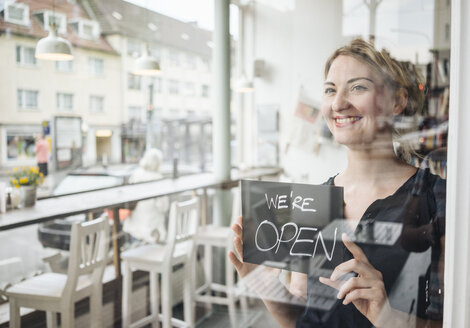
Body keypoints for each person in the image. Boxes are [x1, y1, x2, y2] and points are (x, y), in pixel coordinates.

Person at [229, 38, 445, 328]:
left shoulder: (436, 196)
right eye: (330, 90)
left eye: (357, 87)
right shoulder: (313, 201)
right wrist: (261, 282)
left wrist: (387, 317)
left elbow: (452, 318)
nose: (339, 103)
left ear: (397, 101)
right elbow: (299, 318)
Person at [122, 148, 169, 243]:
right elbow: (163, 207)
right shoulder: (158, 178)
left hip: (134, 227)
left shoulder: (136, 174)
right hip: (152, 230)